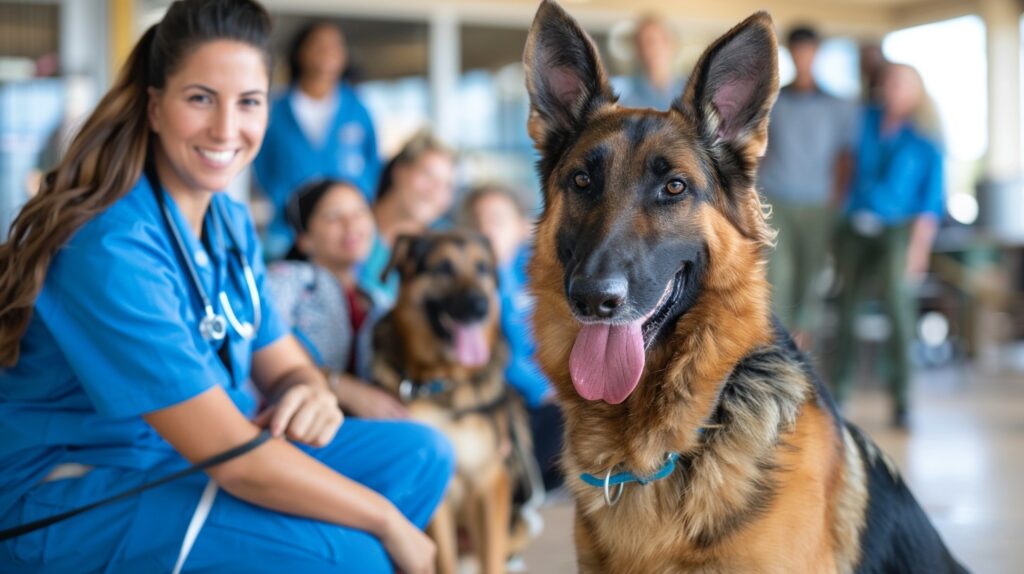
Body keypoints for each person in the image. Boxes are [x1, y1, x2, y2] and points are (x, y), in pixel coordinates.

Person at [0, 2, 451, 572]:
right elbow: (235, 459)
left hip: (184, 460)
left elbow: (283, 363)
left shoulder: (229, 226)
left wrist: (310, 389)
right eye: (200, 98)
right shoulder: (112, 249)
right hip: (72, 493)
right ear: (155, 107)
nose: (225, 128)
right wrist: (386, 521)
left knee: (420, 455)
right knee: (359, 554)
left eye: (249, 102)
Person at [829, 63, 945, 429]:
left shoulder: (926, 139)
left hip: (898, 231)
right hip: (853, 225)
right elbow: (843, 164)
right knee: (846, 307)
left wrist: (918, 250)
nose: (892, 88)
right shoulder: (864, 120)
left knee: (898, 307)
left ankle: (902, 398)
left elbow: (930, 202)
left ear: (915, 91)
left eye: (901, 83)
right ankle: (840, 389)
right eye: (889, 81)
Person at [267, 179, 407, 419]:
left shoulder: (379, 301)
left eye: (360, 212)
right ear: (304, 239)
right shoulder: (284, 280)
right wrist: (343, 388)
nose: (351, 224)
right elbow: (259, 350)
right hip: (291, 420)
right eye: (333, 216)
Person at [758, 26, 857, 348]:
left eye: (809, 51)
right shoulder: (772, 102)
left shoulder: (838, 106)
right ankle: (780, 344)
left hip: (818, 202)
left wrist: (836, 200)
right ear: (788, 53)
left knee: (811, 278)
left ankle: (803, 348)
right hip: (777, 199)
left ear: (817, 53)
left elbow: (845, 156)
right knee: (777, 274)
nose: (803, 58)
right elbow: (757, 149)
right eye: (797, 51)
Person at [462, 185, 563, 491]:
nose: (484, 228)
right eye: (476, 221)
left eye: (496, 219)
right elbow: (496, 355)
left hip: (553, 387)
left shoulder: (543, 273)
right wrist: (543, 390)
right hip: (511, 400)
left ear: (523, 227)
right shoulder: (471, 285)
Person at [253, 21, 380, 260]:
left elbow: (372, 164)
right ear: (299, 53)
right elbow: (262, 165)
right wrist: (285, 201)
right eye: (318, 44)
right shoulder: (276, 110)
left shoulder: (357, 109)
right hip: (288, 232)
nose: (327, 52)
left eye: (335, 46)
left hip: (346, 236)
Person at [358, 130, 457, 304]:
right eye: (428, 175)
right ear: (399, 172)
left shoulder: (448, 243)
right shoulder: (351, 226)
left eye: (446, 185)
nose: (434, 191)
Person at [619, 14, 686, 110]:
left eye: (653, 42)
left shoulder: (691, 93)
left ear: (671, 44)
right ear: (638, 52)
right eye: (642, 44)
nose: (649, 50)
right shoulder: (627, 101)